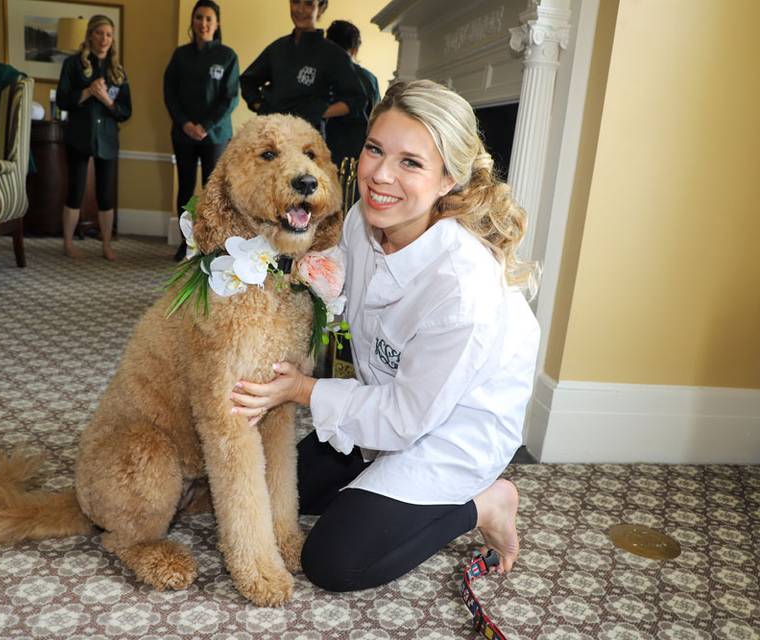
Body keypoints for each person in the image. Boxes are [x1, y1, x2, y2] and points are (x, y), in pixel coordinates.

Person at [230, 80, 540, 592]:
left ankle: (486, 502)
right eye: (375, 149)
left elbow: (406, 419)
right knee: (279, 489)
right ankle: (374, 487)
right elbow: (346, 280)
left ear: (448, 181)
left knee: (333, 561)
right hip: (386, 394)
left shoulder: (462, 290)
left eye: (410, 163)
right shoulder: (364, 217)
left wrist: (303, 391)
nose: (379, 175)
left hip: (450, 430)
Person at [163, 0, 239, 262]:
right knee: (185, 189)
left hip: (214, 136)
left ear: (216, 24)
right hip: (183, 133)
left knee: (213, 192)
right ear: (192, 22)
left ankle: (209, 246)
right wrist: (186, 123)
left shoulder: (227, 56)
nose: (203, 23)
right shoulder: (180, 55)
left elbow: (230, 98)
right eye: (198, 18)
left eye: (208, 19)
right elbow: (170, 93)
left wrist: (205, 127)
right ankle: (185, 244)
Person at [55, 14, 131, 261]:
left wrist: (107, 100)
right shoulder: (73, 64)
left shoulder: (118, 70)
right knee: (75, 191)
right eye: (100, 33)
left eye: (109, 34)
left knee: (106, 195)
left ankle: (106, 245)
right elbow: (64, 100)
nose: (104, 39)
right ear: (90, 35)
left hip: (107, 140)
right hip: (79, 136)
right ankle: (67, 243)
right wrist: (88, 91)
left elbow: (125, 111)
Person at [239, 0, 367, 146]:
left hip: (308, 139)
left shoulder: (332, 54)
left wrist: (320, 112)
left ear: (320, 9)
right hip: (271, 137)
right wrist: (261, 107)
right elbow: (247, 81)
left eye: (308, 4)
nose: (300, 9)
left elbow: (357, 98)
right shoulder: (277, 48)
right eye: (295, 2)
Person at [325, 20, 380, 168]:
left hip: (325, 151)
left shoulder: (321, 77)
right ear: (355, 49)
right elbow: (377, 117)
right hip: (360, 154)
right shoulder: (370, 79)